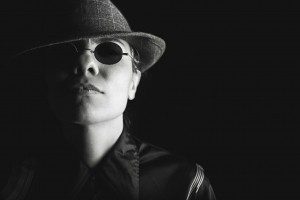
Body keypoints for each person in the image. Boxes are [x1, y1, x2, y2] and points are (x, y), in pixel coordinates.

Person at [0, 0, 216, 199]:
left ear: (134, 82)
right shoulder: (11, 179)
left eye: (109, 51)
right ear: (45, 79)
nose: (85, 63)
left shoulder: (185, 185)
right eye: (65, 52)